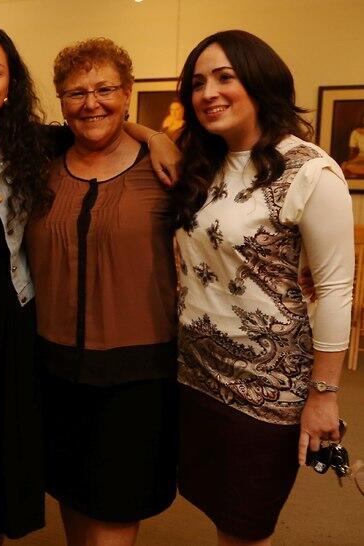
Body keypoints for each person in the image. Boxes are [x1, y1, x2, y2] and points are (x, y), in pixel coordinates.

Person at [0, 30, 180, 546]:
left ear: (10, 88)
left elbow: (97, 120)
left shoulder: (31, 147)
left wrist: (154, 136)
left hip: (12, 328)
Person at [171, 30, 352, 545]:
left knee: (246, 528)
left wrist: (324, 396)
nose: (209, 92)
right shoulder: (201, 163)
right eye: (199, 83)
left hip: (266, 389)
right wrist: (150, 135)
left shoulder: (310, 170)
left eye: (225, 77)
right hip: (195, 373)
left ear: (260, 80)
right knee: (217, 511)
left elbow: (337, 291)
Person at [26, 37, 178, 546]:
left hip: (136, 372)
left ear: (128, 92)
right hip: (55, 367)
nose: (91, 103)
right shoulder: (41, 162)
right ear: (61, 102)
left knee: (115, 507)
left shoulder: (165, 170)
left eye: (105, 89)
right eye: (75, 93)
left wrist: (151, 135)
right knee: (73, 492)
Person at [341, 111, 364, 177]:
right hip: (360, 158)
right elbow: (353, 152)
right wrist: (348, 161)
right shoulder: (356, 133)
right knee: (347, 168)